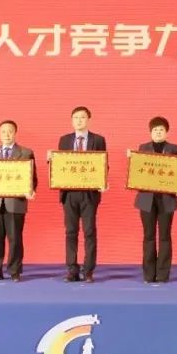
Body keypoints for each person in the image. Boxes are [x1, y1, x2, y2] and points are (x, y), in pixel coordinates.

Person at [51, 106, 106, 283]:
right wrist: (51, 162)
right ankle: (72, 270)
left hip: (89, 194)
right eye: (76, 118)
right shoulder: (64, 140)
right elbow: (61, 165)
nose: (79, 120)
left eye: (82, 117)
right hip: (69, 193)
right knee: (70, 232)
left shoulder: (98, 139)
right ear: (72, 120)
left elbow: (103, 163)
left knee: (89, 232)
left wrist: (102, 181)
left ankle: (88, 270)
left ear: (88, 119)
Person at [0, 120, 37, 282]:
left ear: (15, 133)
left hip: (15, 202)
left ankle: (14, 271)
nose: (6, 134)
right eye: (3, 131)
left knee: (15, 239)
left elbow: (32, 178)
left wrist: (31, 190)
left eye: (10, 131)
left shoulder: (25, 153)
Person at [131, 116, 177, 284]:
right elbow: (138, 172)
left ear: (166, 132)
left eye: (161, 130)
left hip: (167, 199)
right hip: (147, 199)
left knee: (165, 236)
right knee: (149, 236)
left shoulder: (173, 148)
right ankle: (149, 274)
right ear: (150, 132)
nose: (158, 132)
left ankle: (163, 274)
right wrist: (133, 160)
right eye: (155, 130)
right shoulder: (142, 148)